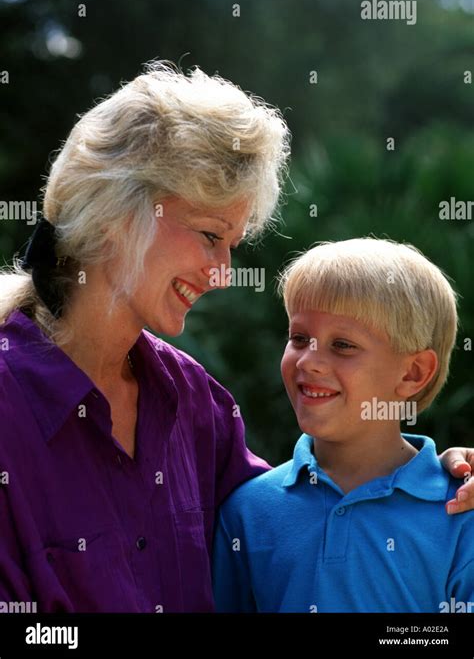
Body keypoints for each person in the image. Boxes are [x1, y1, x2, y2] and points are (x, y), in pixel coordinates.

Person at [0, 62, 471, 614]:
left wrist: (446, 473)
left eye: (232, 244)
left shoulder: (194, 402)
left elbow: (306, 509)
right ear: (116, 213)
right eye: (209, 235)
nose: (222, 272)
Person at [212, 238, 474, 612]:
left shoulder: (462, 509)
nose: (308, 362)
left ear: (413, 373)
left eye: (343, 345)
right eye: (300, 338)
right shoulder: (246, 510)